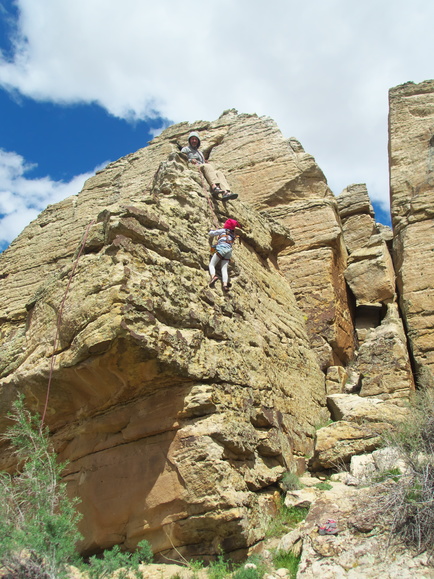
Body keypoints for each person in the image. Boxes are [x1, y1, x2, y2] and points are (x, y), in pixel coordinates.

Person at [181, 132, 238, 201]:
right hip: (194, 167)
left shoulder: (200, 152)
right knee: (207, 166)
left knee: (218, 172)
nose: (194, 141)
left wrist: (204, 161)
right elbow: (181, 157)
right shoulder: (186, 149)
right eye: (192, 139)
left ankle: (226, 192)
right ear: (189, 140)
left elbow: (203, 162)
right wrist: (190, 160)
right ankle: (214, 187)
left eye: (196, 139)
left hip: (202, 166)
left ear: (198, 141)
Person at [208, 219, 242, 292]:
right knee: (224, 268)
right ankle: (225, 285)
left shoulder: (223, 230)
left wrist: (210, 230)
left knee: (212, 264)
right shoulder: (232, 235)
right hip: (229, 251)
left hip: (221, 249)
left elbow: (212, 233)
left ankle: (213, 276)